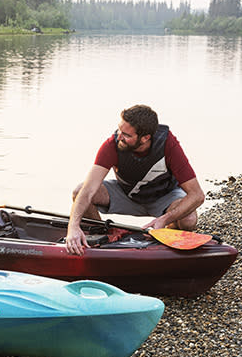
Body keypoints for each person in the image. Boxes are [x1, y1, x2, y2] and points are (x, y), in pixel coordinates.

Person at [66, 104, 204, 256]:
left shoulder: (168, 144)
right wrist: (73, 226)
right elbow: (88, 190)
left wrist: (164, 219)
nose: (119, 136)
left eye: (127, 135)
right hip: (128, 195)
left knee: (189, 219)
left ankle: (163, 239)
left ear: (145, 138)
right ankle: (101, 236)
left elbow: (197, 195)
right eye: (120, 129)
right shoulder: (112, 144)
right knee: (78, 191)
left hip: (164, 197)